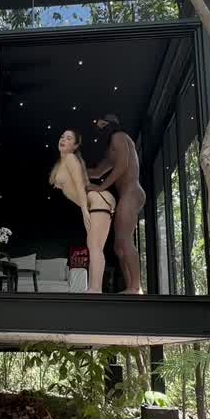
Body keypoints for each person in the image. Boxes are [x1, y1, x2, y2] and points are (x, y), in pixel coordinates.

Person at [49, 129, 115, 294]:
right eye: (62, 136)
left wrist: (84, 210)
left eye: (68, 138)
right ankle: (94, 288)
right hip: (95, 201)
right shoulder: (62, 163)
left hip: (96, 200)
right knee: (94, 246)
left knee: (94, 246)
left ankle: (95, 289)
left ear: (75, 145)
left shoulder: (70, 158)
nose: (63, 139)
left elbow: (79, 185)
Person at [87, 113, 145, 294]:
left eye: (102, 125)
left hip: (131, 192)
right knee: (119, 246)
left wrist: (101, 187)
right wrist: (74, 169)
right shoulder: (110, 150)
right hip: (127, 194)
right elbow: (97, 172)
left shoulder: (119, 137)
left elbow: (122, 165)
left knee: (125, 240)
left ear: (110, 124)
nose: (100, 128)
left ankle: (136, 287)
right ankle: (131, 288)